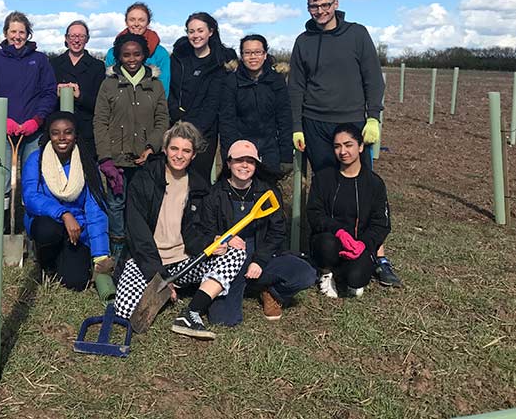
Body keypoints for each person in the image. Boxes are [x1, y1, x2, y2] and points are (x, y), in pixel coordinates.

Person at [289, 0, 400, 287]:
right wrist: (297, 126)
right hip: (314, 122)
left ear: (336, 3)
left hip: (351, 121)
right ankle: (325, 253)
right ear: (308, 7)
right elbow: (296, 86)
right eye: (314, 6)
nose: (320, 11)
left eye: (325, 5)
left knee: (362, 186)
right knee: (324, 187)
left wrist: (374, 117)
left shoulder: (357, 34)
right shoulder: (304, 41)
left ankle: (377, 256)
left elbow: (373, 78)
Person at [113, 122, 246, 340]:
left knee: (235, 251)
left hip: (184, 261)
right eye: (174, 149)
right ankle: (166, 289)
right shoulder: (144, 179)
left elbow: (196, 230)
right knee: (125, 311)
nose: (179, 155)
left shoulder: (199, 185)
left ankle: (191, 310)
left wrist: (214, 240)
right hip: (147, 260)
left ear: (193, 155)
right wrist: (159, 277)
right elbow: (138, 236)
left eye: (186, 151)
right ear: (165, 149)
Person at [197, 140, 316, 326]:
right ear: (229, 163)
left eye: (250, 161)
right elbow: (206, 231)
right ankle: (239, 290)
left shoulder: (266, 192)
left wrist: (260, 260)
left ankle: (270, 291)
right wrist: (224, 240)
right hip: (229, 266)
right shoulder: (215, 194)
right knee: (223, 321)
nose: (244, 165)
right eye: (239, 160)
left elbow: (278, 230)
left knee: (306, 274)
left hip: (262, 261)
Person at [0, 11, 57, 231]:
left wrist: (37, 119)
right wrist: (4, 121)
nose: (17, 36)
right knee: (3, 180)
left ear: (28, 34)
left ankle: (31, 227)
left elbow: (49, 93)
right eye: (13, 31)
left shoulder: (39, 60)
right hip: (4, 133)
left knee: (32, 181)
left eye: (22, 32)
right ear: (5, 33)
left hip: (32, 132)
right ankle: (2, 229)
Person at [94, 32, 169, 257]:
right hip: (116, 159)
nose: (132, 59)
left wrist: (151, 147)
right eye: (126, 55)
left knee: (142, 205)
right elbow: (100, 121)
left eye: (137, 54)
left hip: (145, 158)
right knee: (116, 204)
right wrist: (105, 157)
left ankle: (141, 249)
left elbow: (162, 119)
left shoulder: (154, 85)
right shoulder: (109, 85)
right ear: (119, 57)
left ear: (144, 55)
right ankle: (117, 250)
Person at [22, 111, 114, 289]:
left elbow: (95, 210)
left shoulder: (86, 164)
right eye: (55, 133)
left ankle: (64, 258)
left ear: (75, 135)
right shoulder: (36, 159)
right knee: (47, 230)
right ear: (49, 135)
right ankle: (45, 258)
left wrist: (101, 255)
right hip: (49, 223)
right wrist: (63, 214)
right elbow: (31, 197)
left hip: (77, 229)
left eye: (68, 132)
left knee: (76, 283)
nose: (62, 138)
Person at [306, 123, 391, 298]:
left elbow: (381, 223)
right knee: (326, 245)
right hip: (331, 241)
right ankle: (327, 271)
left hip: (359, 245)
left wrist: (364, 244)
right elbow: (314, 213)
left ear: (360, 147)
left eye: (348, 145)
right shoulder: (323, 179)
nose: (343, 151)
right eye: (337, 146)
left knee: (356, 279)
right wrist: (338, 231)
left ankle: (347, 274)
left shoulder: (374, 183)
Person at [168, 12, 237, 180]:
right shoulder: (179, 58)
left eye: (200, 30)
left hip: (204, 132)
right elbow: (173, 91)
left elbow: (213, 102)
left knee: (199, 180)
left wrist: (193, 131)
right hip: (177, 127)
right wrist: (176, 118)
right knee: (175, 179)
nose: (195, 35)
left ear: (211, 32)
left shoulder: (219, 62)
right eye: (191, 31)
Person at [220, 34, 292, 172]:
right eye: (247, 53)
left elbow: (284, 118)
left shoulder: (276, 81)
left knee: (268, 190)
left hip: (271, 148)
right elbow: (227, 121)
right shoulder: (231, 82)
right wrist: (232, 154)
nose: (253, 57)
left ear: (265, 54)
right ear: (241, 56)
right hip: (241, 147)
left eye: (258, 52)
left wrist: (286, 155)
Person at [50, 20, 105, 159]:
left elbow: (100, 103)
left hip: (86, 131)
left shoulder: (97, 66)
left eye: (81, 36)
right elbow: (45, 98)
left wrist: (80, 96)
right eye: (73, 36)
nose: (76, 40)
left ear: (87, 39)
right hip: (59, 131)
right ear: (66, 38)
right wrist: (56, 95)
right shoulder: (53, 64)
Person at [104, 2, 171, 94]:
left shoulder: (160, 53)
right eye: (132, 20)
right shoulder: (112, 53)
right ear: (126, 22)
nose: (136, 24)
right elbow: (109, 87)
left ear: (148, 22)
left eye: (141, 20)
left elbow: (163, 88)